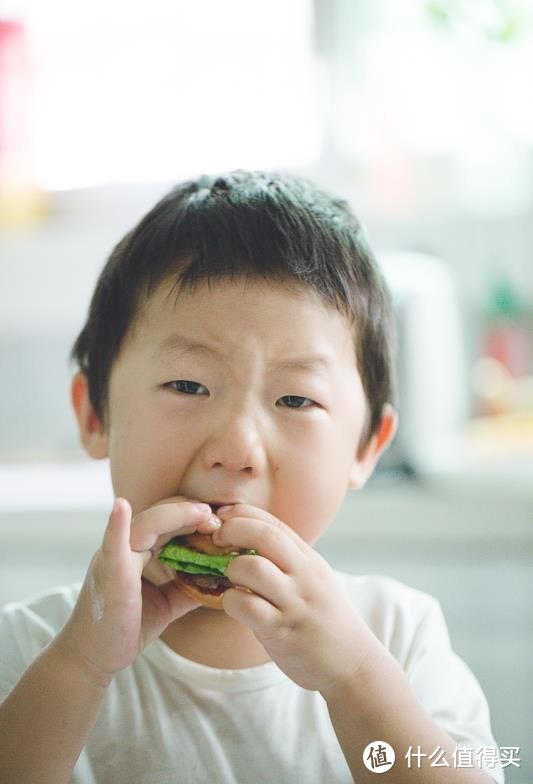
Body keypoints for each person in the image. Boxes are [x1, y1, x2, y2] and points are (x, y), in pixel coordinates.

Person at [0, 171, 503, 784]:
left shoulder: (398, 636)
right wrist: (82, 664)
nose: (237, 449)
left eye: (295, 400)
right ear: (94, 414)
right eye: (188, 386)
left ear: (366, 446)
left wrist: (352, 677)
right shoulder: (31, 649)